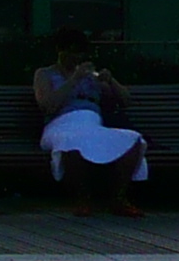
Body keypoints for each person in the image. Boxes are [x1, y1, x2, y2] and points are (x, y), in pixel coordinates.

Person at [36, 27, 149, 217]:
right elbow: (47, 105)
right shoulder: (45, 74)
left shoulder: (91, 77)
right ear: (60, 51)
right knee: (72, 142)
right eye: (71, 52)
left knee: (132, 139)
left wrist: (111, 81)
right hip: (61, 124)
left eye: (79, 52)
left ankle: (119, 198)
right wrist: (73, 79)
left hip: (92, 124)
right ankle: (82, 199)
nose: (76, 57)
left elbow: (126, 100)